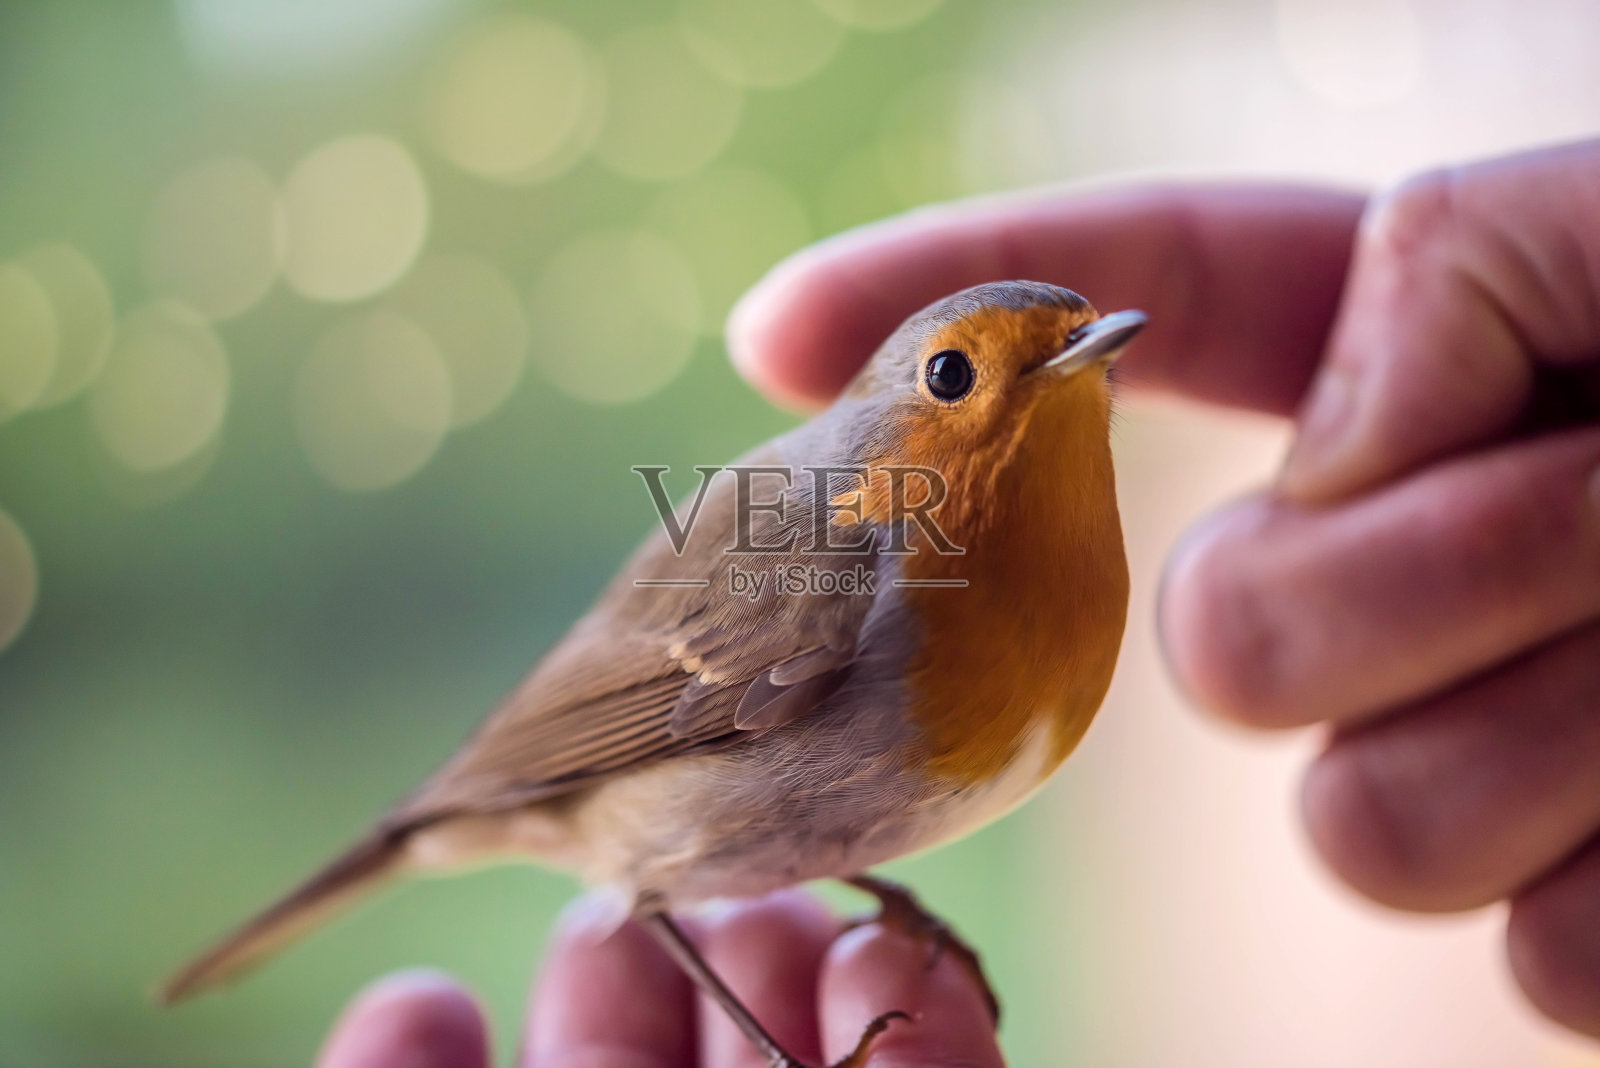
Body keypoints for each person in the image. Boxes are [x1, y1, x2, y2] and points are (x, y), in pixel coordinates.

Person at [315, 139, 1600, 1066]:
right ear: (885, 425)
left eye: (1082, 355)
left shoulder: (1067, 571)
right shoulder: (840, 559)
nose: (1067, 373)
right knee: (674, 909)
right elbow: (613, 689)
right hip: (603, 787)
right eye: (953, 375)